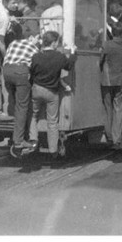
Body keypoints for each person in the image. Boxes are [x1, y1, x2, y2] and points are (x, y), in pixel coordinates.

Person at [29, 31, 77, 159]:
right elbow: (69, 66)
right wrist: (72, 53)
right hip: (52, 92)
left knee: (33, 116)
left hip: (37, 89)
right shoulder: (59, 57)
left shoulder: (36, 56)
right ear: (54, 42)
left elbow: (31, 72)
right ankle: (53, 149)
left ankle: (33, 140)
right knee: (52, 121)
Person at [3, 27, 40, 158]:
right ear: (31, 38)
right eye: (37, 38)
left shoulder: (14, 43)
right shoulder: (34, 48)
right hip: (20, 73)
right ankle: (18, 141)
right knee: (22, 107)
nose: (38, 41)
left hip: (7, 72)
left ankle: (17, 131)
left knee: (14, 103)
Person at [99, 21, 122, 150]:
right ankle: (117, 139)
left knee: (108, 108)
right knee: (119, 110)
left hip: (106, 81)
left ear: (112, 32)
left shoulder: (107, 45)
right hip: (121, 81)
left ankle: (109, 135)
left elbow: (100, 60)